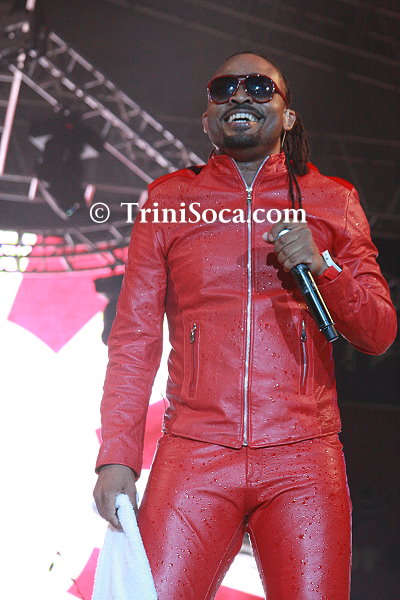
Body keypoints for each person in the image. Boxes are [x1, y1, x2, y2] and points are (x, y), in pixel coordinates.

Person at [93, 52, 397, 599]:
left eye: (260, 87)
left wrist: (324, 267)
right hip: (195, 451)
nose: (240, 95)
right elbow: (134, 337)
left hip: (303, 456)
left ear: (288, 116)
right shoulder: (169, 201)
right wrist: (117, 456)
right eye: (224, 88)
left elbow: (378, 332)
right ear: (207, 118)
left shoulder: (334, 199)